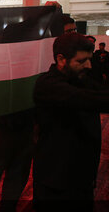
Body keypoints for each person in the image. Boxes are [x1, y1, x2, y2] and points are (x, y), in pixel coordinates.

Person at [33, 33, 109, 211]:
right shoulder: (47, 85)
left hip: (82, 179)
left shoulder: (81, 79)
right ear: (61, 59)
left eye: (89, 60)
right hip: (56, 183)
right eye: (82, 61)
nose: (88, 66)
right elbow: (90, 99)